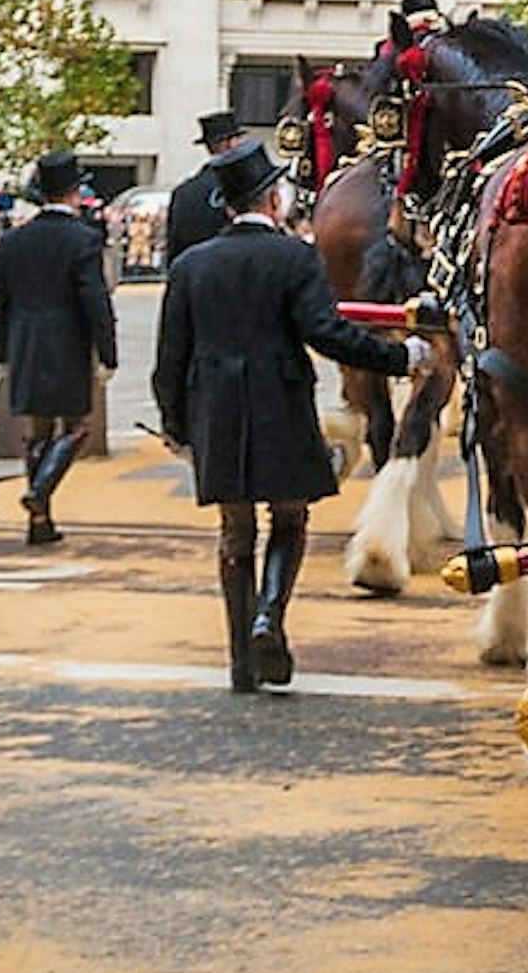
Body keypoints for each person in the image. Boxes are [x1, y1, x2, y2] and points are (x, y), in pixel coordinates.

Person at [152, 135, 426, 692]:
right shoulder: (294, 257)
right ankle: (268, 616)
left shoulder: (190, 266)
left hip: (217, 408)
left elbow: (169, 359)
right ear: (271, 200)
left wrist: (176, 423)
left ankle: (240, 664)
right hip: (278, 399)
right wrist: (401, 356)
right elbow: (328, 335)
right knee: (290, 517)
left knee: (235, 533)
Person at [0, 152, 118, 546]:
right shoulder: (84, 239)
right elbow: (95, 300)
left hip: (25, 339)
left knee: (38, 431)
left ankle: (40, 521)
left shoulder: (13, 240)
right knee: (76, 426)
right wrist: (107, 352)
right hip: (67, 340)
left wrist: (0, 352)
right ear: (74, 193)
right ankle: (40, 492)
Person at [161, 110, 242, 267]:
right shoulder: (243, 187)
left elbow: (175, 249)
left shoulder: (184, 193)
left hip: (195, 278)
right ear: (230, 143)